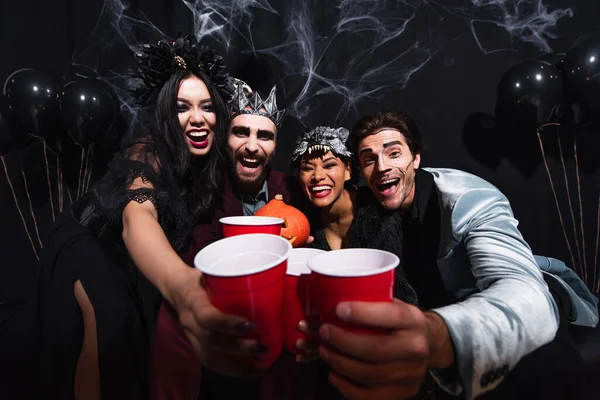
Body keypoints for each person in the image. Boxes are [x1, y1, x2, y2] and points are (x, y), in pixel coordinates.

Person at [311, 110, 599, 400]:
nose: (382, 166)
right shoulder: (368, 210)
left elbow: (526, 295)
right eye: (369, 159)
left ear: (416, 158)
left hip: (523, 306)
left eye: (394, 153)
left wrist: (436, 336)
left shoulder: (469, 197)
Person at [34, 35, 236, 400]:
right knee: (110, 322)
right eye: (181, 107)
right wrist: (186, 289)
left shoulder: (211, 162)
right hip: (89, 244)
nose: (197, 118)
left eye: (207, 106)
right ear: (164, 114)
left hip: (129, 258)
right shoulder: (148, 153)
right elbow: (136, 217)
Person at [148, 83, 309, 400]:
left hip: (274, 343)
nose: (252, 146)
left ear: (275, 147)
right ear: (224, 138)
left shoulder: (293, 189)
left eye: (264, 136)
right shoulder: (200, 187)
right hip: (210, 335)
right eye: (241, 132)